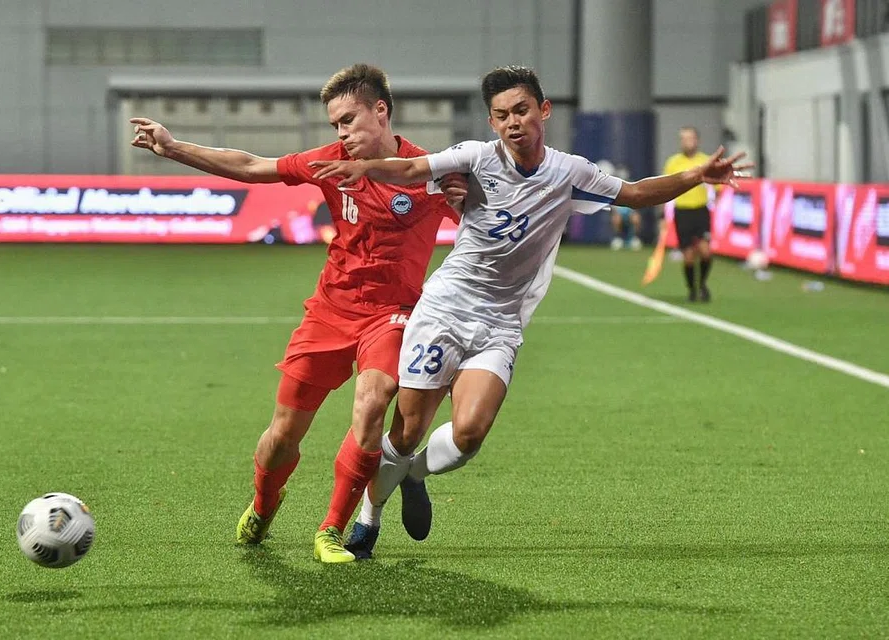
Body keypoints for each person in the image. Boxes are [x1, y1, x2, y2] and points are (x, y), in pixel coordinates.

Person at [310, 65, 750, 558]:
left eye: (521, 110)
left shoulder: (570, 172)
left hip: (500, 321)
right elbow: (414, 169)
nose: (512, 122)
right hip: (446, 309)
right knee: (407, 430)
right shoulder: (476, 158)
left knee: (469, 434)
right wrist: (365, 168)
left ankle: (415, 472)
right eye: (501, 115)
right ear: (492, 121)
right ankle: (369, 522)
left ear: (544, 110)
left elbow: (635, 194)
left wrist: (696, 175)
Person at [130, 63, 465, 564]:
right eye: (335, 125)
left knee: (373, 402)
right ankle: (265, 504)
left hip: (392, 314)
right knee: (282, 435)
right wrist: (173, 147)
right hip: (330, 311)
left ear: (381, 111)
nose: (341, 133)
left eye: (349, 119)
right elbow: (251, 166)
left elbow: (487, 221)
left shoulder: (431, 171)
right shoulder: (330, 161)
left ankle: (332, 529)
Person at [663, 127, 715, 302]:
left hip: (700, 210)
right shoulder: (673, 162)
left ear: (697, 140)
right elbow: (666, 188)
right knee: (688, 256)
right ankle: (692, 289)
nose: (686, 142)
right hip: (682, 211)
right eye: (683, 139)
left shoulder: (706, 161)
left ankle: (703, 284)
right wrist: (665, 215)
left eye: (690, 138)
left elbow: (718, 189)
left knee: (705, 251)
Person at [609, 165, 642, 250]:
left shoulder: (631, 186)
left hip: (630, 211)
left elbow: (635, 202)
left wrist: (632, 212)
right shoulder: (613, 187)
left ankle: (635, 238)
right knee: (617, 218)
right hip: (619, 212)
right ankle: (618, 238)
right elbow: (613, 205)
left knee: (636, 218)